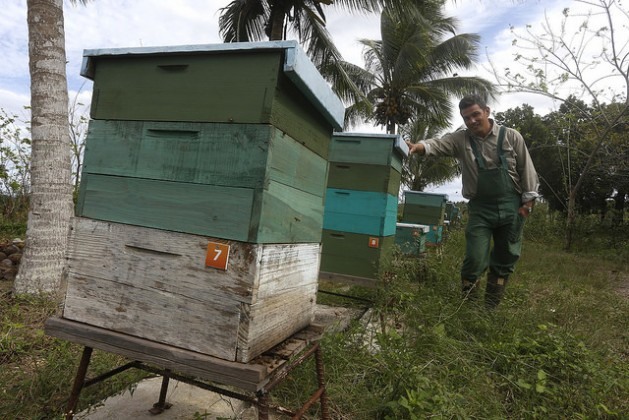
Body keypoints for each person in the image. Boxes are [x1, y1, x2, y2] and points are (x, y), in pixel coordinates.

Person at [406, 94, 539, 308]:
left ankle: (489, 310)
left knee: (505, 259)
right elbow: (438, 145)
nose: (472, 121)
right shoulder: (461, 139)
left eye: (476, 114)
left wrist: (528, 203)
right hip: (480, 209)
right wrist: (417, 147)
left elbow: (526, 168)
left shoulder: (511, 136)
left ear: (487, 111)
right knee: (474, 258)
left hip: (511, 207)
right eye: (466, 118)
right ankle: (468, 308)